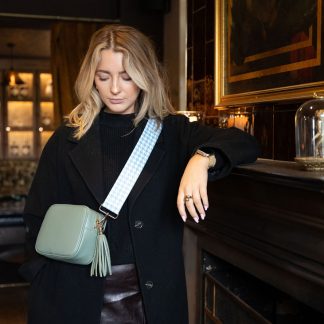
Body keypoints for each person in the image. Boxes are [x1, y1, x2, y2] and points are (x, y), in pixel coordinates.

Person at [20, 24, 259, 324]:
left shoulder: (171, 132)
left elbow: (245, 142)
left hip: (150, 300)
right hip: (73, 297)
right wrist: (42, 278)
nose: (115, 89)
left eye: (127, 76)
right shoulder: (67, 138)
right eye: (103, 77)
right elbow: (36, 219)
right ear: (91, 77)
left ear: (146, 76)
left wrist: (201, 159)